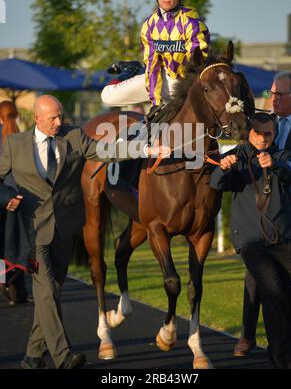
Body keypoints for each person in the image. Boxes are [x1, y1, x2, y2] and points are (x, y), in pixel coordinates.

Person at [0, 94, 169, 370]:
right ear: (37, 119)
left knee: (52, 293)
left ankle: (32, 356)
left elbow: (106, 151)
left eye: (61, 115)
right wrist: (6, 196)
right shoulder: (15, 144)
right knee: (44, 290)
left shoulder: (75, 137)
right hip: (33, 229)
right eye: (52, 118)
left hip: (66, 228)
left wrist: (145, 150)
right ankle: (63, 356)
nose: (59, 121)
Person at [210, 112, 291, 369]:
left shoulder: (282, 156)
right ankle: (283, 356)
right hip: (252, 243)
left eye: (268, 133)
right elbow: (216, 184)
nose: (262, 138)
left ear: (274, 134)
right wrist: (223, 167)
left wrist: (275, 165)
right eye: (257, 132)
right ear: (249, 132)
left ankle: (285, 343)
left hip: (285, 240)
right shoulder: (238, 158)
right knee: (272, 291)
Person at [234, 71, 291, 357]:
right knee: (256, 275)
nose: (273, 99)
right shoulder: (262, 122)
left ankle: (288, 339)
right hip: (266, 213)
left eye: (280, 94)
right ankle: (248, 334)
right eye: (272, 93)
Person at [101, 0, 210, 108]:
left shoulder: (192, 23)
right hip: (161, 81)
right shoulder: (149, 26)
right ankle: (131, 71)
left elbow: (198, 66)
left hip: (186, 85)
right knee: (107, 96)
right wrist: (155, 104)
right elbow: (153, 68)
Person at [0, 100, 29, 305]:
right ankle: (17, 291)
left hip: (2, 194)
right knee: (16, 243)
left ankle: (2, 283)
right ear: (16, 114)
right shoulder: (23, 138)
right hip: (20, 195)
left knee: (2, 245)